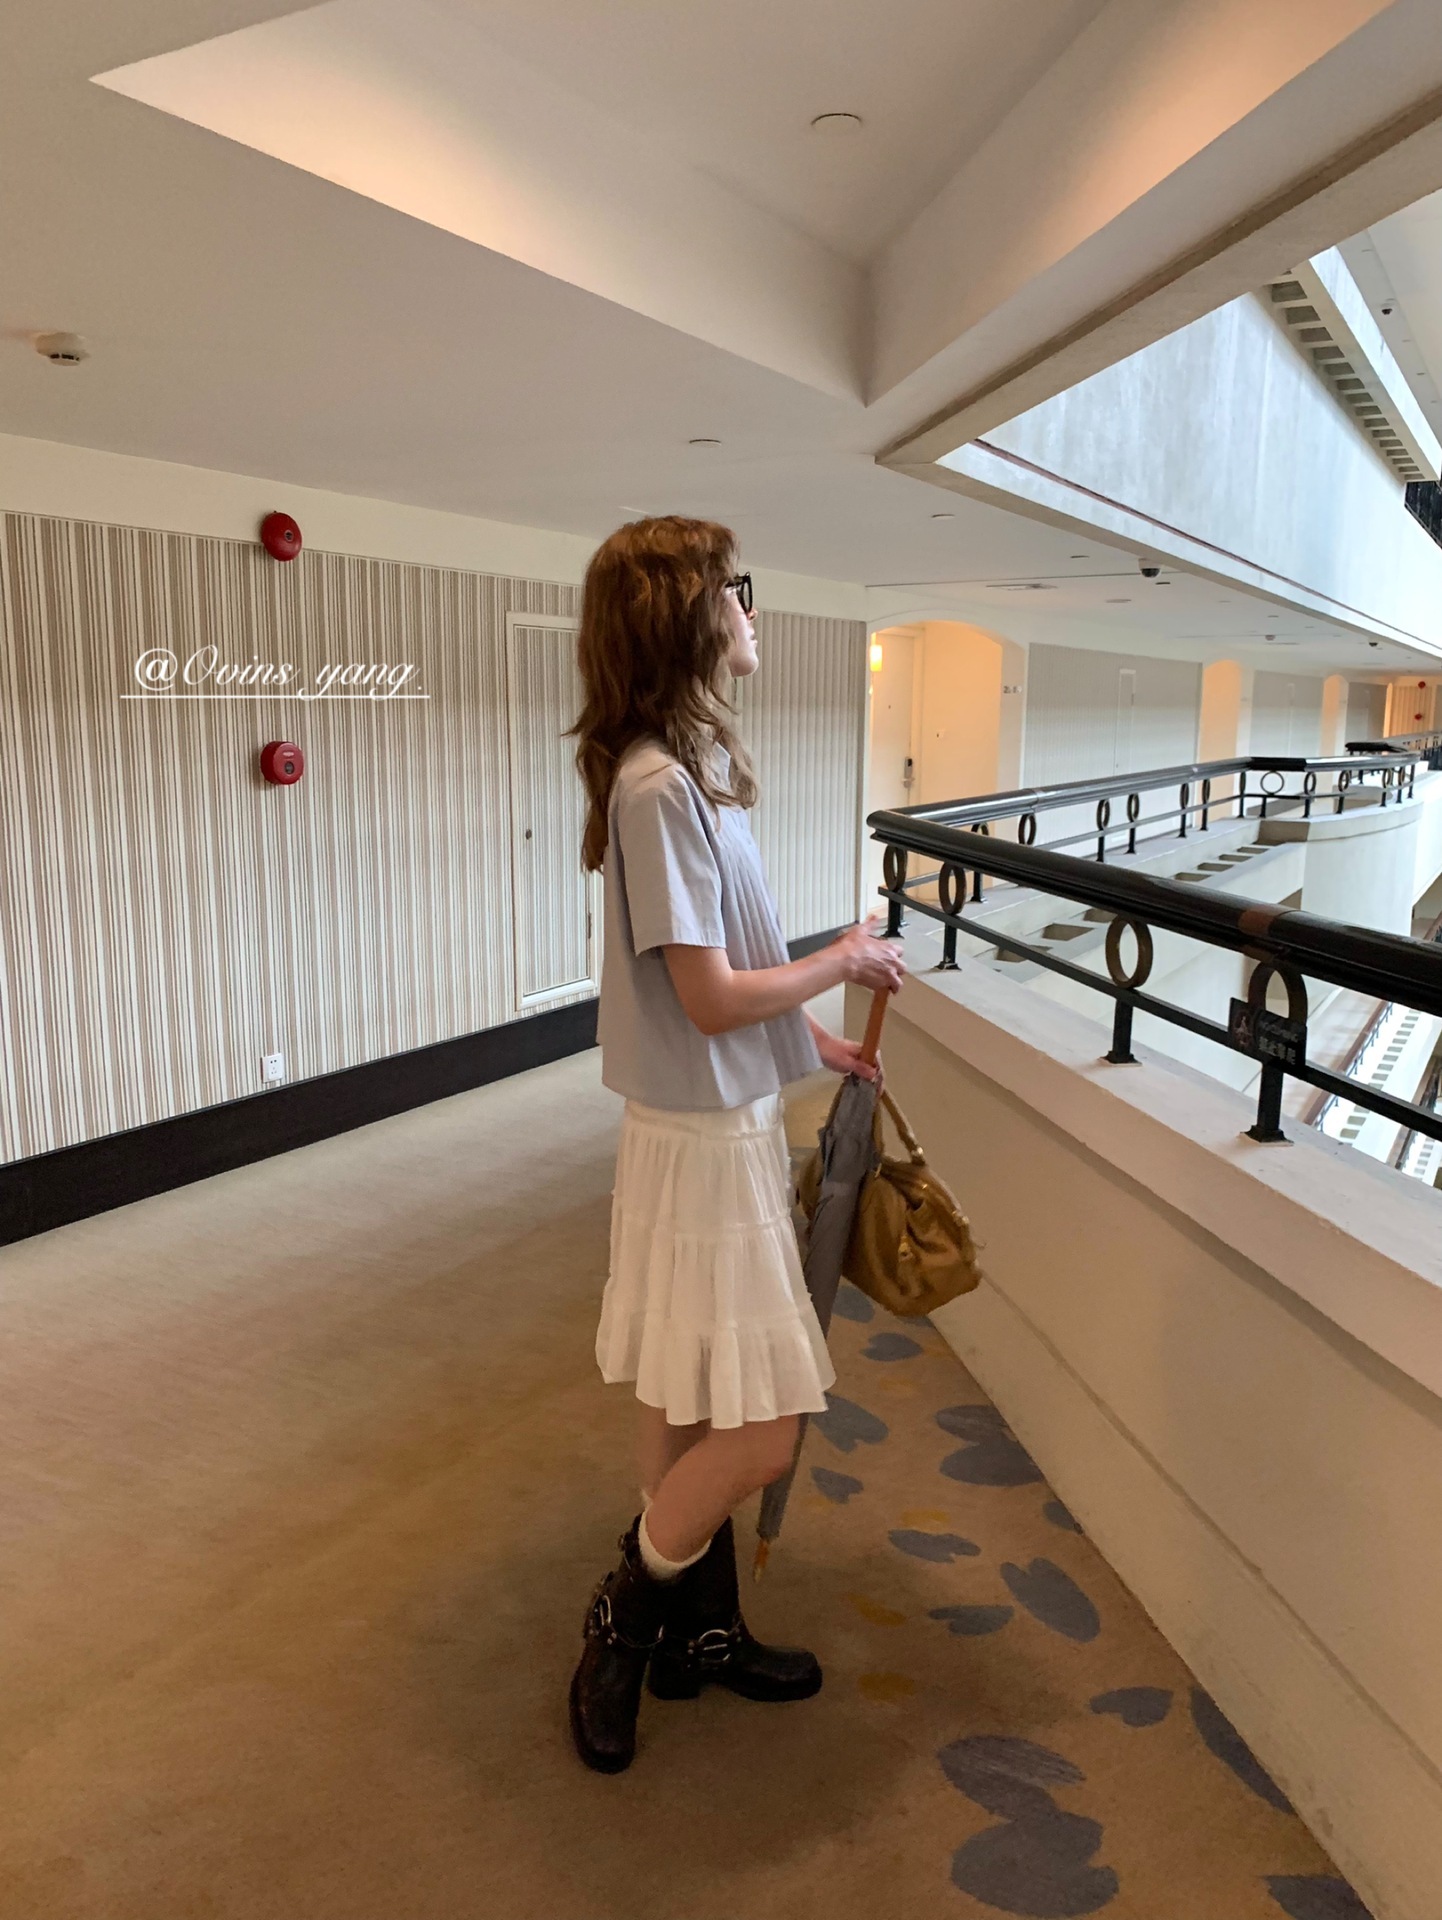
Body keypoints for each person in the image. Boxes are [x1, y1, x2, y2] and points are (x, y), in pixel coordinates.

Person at [566, 515, 906, 1774]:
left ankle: (698, 1632)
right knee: (762, 1428)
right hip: (703, 1141)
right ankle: (624, 1617)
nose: (749, 609)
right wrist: (843, 960)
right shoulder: (661, 786)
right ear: (686, 618)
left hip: (709, 1123)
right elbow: (708, 998)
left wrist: (815, 1039)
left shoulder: (681, 770)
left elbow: (723, 975)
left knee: (684, 1392)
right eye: (732, 589)